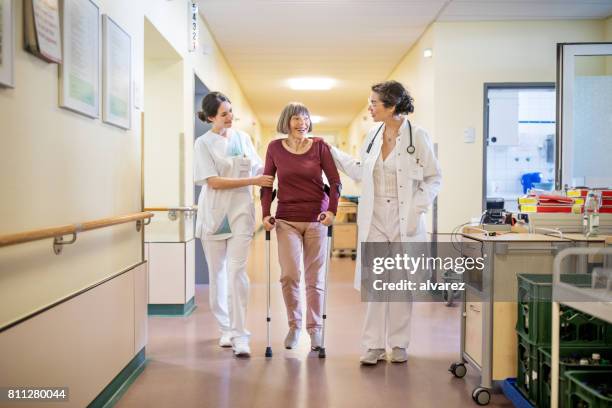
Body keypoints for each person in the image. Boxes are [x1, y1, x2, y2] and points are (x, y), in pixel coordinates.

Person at [331, 81, 442, 365]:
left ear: (391, 106)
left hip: (406, 218)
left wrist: (418, 207)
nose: (369, 108)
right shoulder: (371, 135)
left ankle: (399, 344)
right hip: (376, 216)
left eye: (374, 103)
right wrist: (332, 152)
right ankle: (373, 346)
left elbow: (433, 178)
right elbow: (359, 170)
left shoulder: (418, 136)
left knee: (402, 284)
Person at [193, 91, 273, 358]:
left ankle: (240, 334)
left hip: (240, 211)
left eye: (230, 111)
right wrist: (252, 182)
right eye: (223, 113)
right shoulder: (203, 143)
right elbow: (212, 181)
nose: (230, 117)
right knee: (217, 274)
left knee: (237, 272)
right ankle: (225, 327)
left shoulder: (243, 138)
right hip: (215, 213)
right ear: (210, 117)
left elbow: (260, 169)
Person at [261, 102, 341, 351]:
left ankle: (314, 330)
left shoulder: (320, 147)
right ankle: (295, 326)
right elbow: (267, 183)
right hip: (286, 220)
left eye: (305, 118)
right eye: (296, 118)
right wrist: (265, 213)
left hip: (316, 218)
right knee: (289, 275)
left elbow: (336, 182)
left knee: (314, 278)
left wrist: (332, 211)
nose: (302, 123)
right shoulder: (275, 148)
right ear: (286, 122)